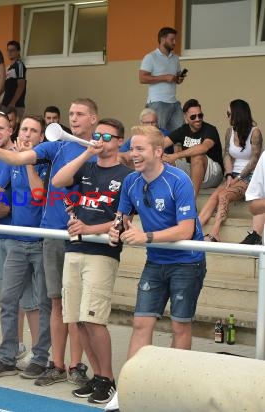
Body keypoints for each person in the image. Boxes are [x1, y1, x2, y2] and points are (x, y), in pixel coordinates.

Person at [0, 99, 99, 388]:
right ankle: (26, 359)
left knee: (59, 306)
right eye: (71, 113)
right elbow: (13, 166)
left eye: (79, 113)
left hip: (67, 237)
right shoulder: (51, 148)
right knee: (28, 301)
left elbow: (40, 193)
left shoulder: (76, 152)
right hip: (38, 238)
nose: (74, 118)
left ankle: (60, 362)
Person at [104, 125, 206, 412]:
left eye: (139, 149)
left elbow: (186, 230)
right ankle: (128, 390)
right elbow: (121, 218)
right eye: (132, 148)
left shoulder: (179, 180)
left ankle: (172, 392)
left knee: (179, 325)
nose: (132, 154)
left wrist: (145, 236)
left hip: (187, 263)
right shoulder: (131, 182)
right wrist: (116, 231)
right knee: (141, 323)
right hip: (156, 262)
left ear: (158, 152)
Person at [52, 118, 131, 404]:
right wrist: (87, 151)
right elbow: (58, 181)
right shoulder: (87, 165)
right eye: (97, 135)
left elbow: (123, 219)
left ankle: (108, 379)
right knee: (78, 320)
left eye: (107, 137)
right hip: (74, 250)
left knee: (94, 319)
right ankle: (97, 376)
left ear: (120, 141)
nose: (100, 140)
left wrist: (89, 229)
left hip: (102, 253)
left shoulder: (126, 176)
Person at [0, 115, 51, 380]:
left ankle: (40, 357)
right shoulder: (10, 160)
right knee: (8, 300)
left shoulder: (45, 161)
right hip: (17, 242)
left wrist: (27, 162)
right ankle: (8, 357)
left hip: (42, 243)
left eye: (33, 131)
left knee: (43, 303)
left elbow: (38, 195)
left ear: (41, 138)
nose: (28, 134)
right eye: (24, 130)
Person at [198, 99, 262, 242]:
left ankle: (215, 234)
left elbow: (254, 160)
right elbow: (227, 154)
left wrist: (238, 177)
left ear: (237, 114)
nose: (226, 117)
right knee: (214, 195)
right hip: (232, 175)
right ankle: (194, 230)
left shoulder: (255, 132)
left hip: (249, 177)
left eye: (228, 113)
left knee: (224, 195)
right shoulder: (229, 132)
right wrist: (228, 175)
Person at [164, 99, 223, 196]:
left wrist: (176, 155)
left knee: (197, 156)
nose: (197, 119)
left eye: (200, 115)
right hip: (193, 170)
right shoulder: (183, 130)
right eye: (193, 116)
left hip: (213, 173)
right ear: (186, 117)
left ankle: (191, 201)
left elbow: (203, 148)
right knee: (164, 160)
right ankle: (166, 198)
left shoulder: (210, 129)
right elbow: (161, 144)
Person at [139, 27, 186, 132]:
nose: (175, 42)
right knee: (157, 134)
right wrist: (165, 77)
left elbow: (177, 78)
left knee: (180, 133)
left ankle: (179, 149)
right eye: (172, 39)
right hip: (157, 102)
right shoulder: (150, 57)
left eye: (175, 39)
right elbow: (142, 78)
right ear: (163, 39)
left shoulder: (175, 58)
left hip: (174, 102)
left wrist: (179, 79)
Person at [1, 41, 27, 119]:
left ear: (18, 51)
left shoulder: (20, 65)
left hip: (16, 106)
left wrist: (13, 103)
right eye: (8, 50)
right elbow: (5, 87)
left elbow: (21, 85)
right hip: (5, 104)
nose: (9, 52)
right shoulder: (8, 68)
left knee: (15, 129)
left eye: (12, 50)